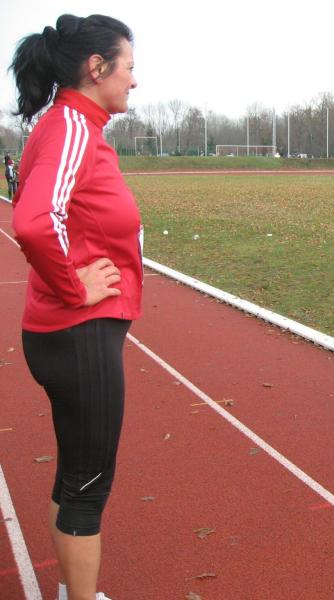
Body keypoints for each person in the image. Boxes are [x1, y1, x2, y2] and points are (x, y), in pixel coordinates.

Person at [10, 14, 140, 600]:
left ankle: (71, 591)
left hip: (73, 333)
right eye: (129, 67)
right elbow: (35, 221)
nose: (134, 80)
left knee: (75, 478)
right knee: (88, 488)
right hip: (77, 331)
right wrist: (73, 286)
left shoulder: (74, 126)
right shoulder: (69, 128)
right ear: (97, 67)